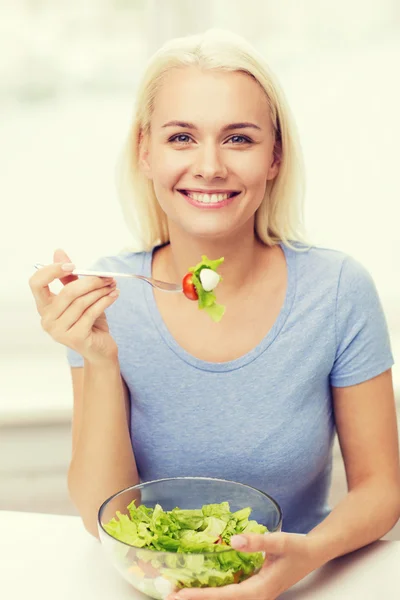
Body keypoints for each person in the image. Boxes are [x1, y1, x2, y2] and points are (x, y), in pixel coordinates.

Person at [29, 29, 400, 600]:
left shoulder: (337, 290)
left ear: (274, 157)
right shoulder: (107, 295)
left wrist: (307, 556)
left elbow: (381, 489)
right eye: (181, 137)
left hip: (306, 584)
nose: (210, 166)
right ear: (145, 152)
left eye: (238, 139)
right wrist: (99, 359)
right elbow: (106, 514)